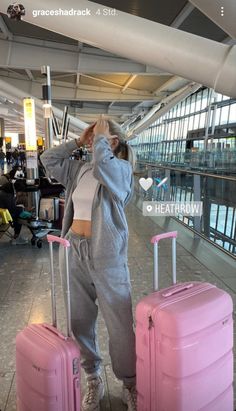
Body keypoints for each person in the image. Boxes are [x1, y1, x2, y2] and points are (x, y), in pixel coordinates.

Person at [41, 116, 137, 411]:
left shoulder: (120, 170)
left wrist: (101, 143)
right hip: (73, 251)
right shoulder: (80, 169)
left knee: (119, 325)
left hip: (107, 255)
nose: (92, 141)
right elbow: (48, 159)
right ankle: (93, 378)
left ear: (113, 142)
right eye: (92, 137)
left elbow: (104, 165)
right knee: (80, 321)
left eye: (99, 136)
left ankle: (130, 382)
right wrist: (78, 141)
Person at [0, 180, 28, 244]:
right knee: (19, 213)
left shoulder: (5, 191)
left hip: (3, 212)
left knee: (19, 210)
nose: (20, 194)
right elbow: (12, 210)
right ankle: (16, 237)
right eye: (21, 192)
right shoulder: (7, 195)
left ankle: (16, 236)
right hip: (3, 215)